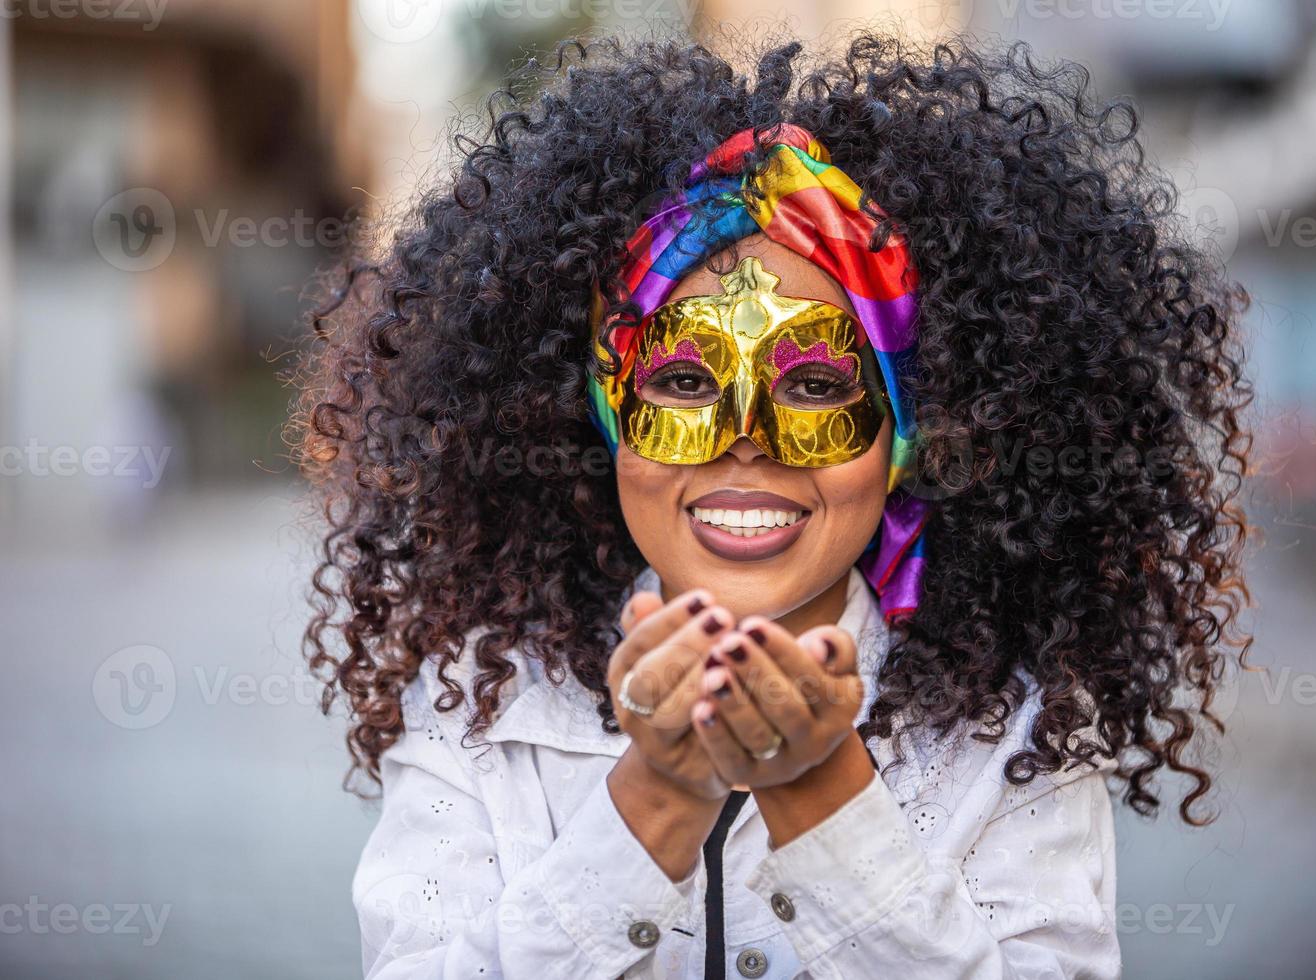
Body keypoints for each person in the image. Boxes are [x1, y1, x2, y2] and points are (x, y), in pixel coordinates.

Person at [293, 29, 1252, 980]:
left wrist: (822, 790)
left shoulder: (1011, 734)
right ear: (606, 408)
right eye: (679, 378)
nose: (744, 436)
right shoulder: (482, 709)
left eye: (816, 384)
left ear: (905, 430)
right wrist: (654, 800)